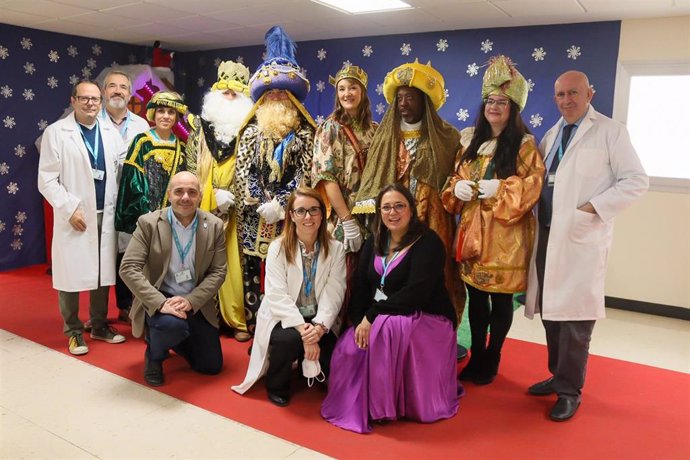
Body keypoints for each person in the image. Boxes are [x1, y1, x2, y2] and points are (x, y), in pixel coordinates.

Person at [525, 70, 648, 421]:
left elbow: (636, 181)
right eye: (560, 94)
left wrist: (591, 209)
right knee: (552, 313)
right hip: (547, 234)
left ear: (589, 93)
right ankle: (557, 374)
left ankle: (569, 391)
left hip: (581, 238)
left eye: (574, 93)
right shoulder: (552, 134)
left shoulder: (610, 131)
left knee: (576, 320)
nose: (567, 100)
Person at [322, 183, 459, 434]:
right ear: (379, 212)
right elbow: (361, 287)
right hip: (382, 313)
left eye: (399, 206)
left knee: (389, 329)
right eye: (386, 207)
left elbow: (417, 292)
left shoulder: (428, 243)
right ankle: (366, 398)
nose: (392, 212)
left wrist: (372, 316)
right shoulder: (374, 240)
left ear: (411, 209)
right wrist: (358, 319)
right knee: (350, 346)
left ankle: (384, 406)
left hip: (427, 316)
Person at [441, 56, 545, 385]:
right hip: (472, 233)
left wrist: (501, 187)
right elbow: (454, 178)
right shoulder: (470, 141)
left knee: (500, 299)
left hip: (507, 236)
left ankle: (494, 354)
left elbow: (533, 186)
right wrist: (455, 187)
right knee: (476, 297)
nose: (494, 106)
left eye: (502, 101)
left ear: (513, 108)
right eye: (490, 100)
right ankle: (478, 354)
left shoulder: (525, 146)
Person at [352, 60, 466, 357]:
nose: (404, 104)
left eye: (410, 98)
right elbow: (374, 178)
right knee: (391, 275)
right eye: (399, 98)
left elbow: (454, 177)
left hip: (432, 219)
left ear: (424, 101)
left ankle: (436, 337)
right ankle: (388, 325)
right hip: (394, 220)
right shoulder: (384, 135)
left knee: (432, 276)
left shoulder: (447, 136)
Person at [234, 26, 316, 334]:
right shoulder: (251, 133)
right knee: (252, 269)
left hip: (291, 217)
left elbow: (305, 175)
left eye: (284, 92)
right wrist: (258, 201)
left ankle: (287, 324)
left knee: (288, 269)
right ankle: (254, 324)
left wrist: (282, 204)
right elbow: (244, 172)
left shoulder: (306, 135)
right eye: (272, 92)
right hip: (255, 216)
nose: (278, 96)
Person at [232, 188, 346, 406]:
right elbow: (277, 295)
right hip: (283, 316)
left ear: (322, 214)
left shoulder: (336, 249)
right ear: (291, 215)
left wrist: (319, 328)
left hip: (317, 317)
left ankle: (308, 359)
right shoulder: (278, 247)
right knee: (289, 340)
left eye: (314, 210)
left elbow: (335, 291)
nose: (308, 217)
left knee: (331, 357)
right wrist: (304, 331)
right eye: (301, 211)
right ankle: (277, 384)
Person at [38, 79, 127, 355]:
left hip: (106, 214)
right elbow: (47, 179)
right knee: (71, 274)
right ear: (73, 100)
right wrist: (69, 208)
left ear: (100, 103)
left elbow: (122, 170)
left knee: (102, 272)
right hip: (76, 215)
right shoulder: (57, 132)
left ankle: (99, 325)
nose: (90, 103)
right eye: (84, 98)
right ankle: (74, 330)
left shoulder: (110, 133)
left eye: (95, 99)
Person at [119, 172, 226, 386]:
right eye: (179, 191)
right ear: (169, 195)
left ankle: (174, 338)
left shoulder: (214, 225)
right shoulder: (148, 223)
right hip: (161, 295)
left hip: (193, 299)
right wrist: (160, 303)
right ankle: (155, 355)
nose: (185, 197)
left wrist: (191, 301)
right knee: (170, 325)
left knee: (210, 366)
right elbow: (128, 267)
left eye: (192, 192)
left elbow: (218, 272)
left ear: (200, 196)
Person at [186, 60, 254, 342]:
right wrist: (211, 194)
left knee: (234, 264)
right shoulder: (199, 128)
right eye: (224, 91)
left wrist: (235, 195)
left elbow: (255, 169)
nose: (229, 96)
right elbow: (191, 168)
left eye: (236, 93)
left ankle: (237, 319)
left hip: (238, 210)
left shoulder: (252, 128)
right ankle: (205, 318)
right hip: (204, 206)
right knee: (203, 262)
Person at [312, 63, 378, 319]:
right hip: (343, 219)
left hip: (372, 218)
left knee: (366, 281)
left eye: (353, 87)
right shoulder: (331, 129)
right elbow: (326, 178)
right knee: (341, 282)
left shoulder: (375, 128)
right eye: (342, 89)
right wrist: (347, 220)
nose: (347, 93)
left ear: (363, 92)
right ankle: (334, 344)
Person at [98, 70, 150, 325]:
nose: (117, 91)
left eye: (123, 87)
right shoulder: (93, 122)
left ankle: (125, 305)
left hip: (130, 201)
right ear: (103, 92)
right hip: (101, 199)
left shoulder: (141, 125)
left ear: (130, 94)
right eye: (112, 86)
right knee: (100, 256)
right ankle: (98, 314)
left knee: (127, 255)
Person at [115, 91, 187, 235]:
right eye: (161, 111)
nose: (166, 116)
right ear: (153, 113)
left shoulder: (182, 146)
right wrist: (146, 212)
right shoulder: (142, 142)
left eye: (171, 112)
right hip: (147, 218)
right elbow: (133, 180)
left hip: (175, 217)